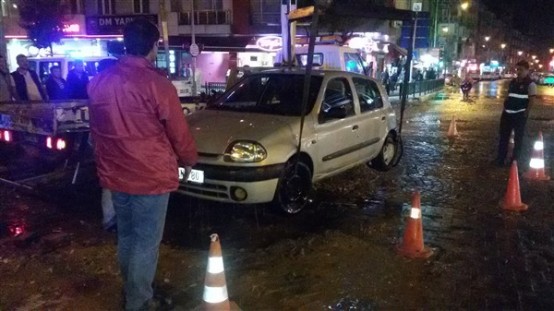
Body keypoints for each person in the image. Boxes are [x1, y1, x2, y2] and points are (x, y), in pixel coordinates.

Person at [88, 19, 198, 310]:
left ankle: (133, 290)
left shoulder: (99, 81)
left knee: (127, 236)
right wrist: (188, 159)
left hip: (116, 173)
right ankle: (139, 301)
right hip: (150, 176)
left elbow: (96, 130)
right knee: (146, 243)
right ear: (153, 45)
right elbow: (178, 130)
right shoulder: (157, 84)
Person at [494, 60, 536, 167]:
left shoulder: (530, 84)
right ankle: (500, 159)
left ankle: (514, 161)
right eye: (517, 69)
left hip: (519, 115)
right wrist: (505, 108)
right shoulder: (513, 82)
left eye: (521, 69)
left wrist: (526, 112)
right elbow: (509, 95)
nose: (518, 72)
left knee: (518, 139)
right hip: (507, 114)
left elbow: (531, 100)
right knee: (503, 137)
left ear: (527, 70)